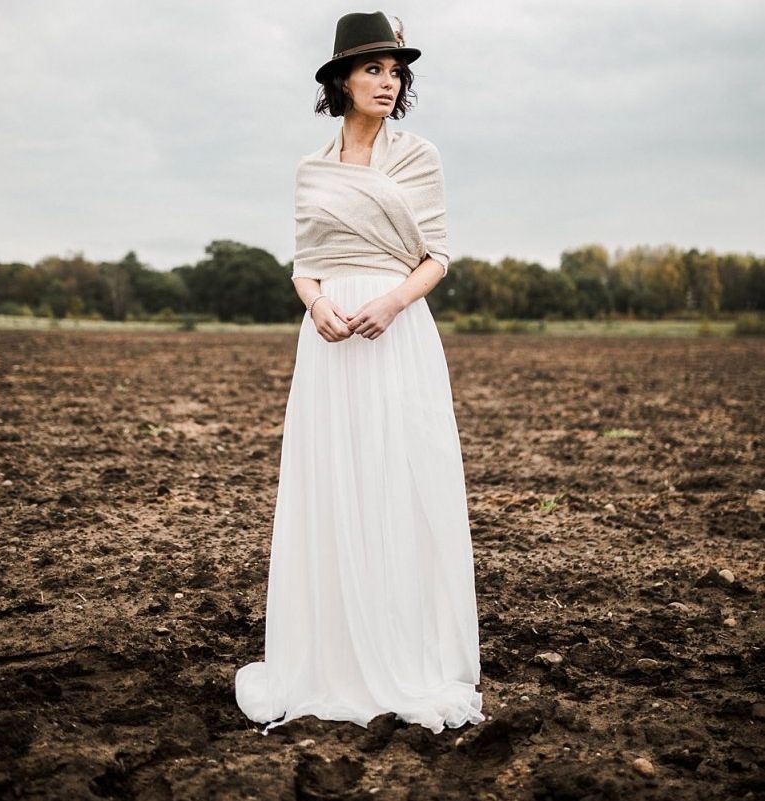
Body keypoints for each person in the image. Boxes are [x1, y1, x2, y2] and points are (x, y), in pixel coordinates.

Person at [234, 10, 485, 735]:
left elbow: (436, 254)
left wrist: (391, 302)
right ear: (340, 79)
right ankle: (328, 654)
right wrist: (315, 305)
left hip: (395, 328)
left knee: (399, 475)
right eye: (372, 68)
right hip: (329, 339)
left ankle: (407, 647)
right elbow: (303, 267)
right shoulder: (310, 170)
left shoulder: (418, 156)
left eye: (394, 70)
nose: (387, 80)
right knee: (332, 478)